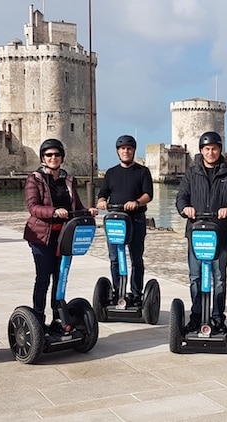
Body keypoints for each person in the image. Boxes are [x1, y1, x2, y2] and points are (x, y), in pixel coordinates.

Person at [23, 139, 97, 327]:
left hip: (64, 237)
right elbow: (33, 207)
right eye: (49, 155)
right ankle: (38, 318)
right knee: (43, 277)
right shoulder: (35, 179)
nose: (53, 158)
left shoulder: (68, 181)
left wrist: (88, 211)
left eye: (56, 154)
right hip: (41, 237)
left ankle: (58, 316)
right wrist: (54, 212)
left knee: (61, 276)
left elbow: (77, 206)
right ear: (43, 158)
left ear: (62, 157)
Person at [175, 131, 227, 333]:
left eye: (214, 148)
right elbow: (181, 197)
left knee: (219, 277)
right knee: (195, 276)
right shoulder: (191, 173)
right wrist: (184, 208)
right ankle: (196, 317)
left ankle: (217, 317)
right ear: (201, 151)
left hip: (219, 232)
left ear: (220, 150)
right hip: (196, 233)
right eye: (207, 149)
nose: (211, 152)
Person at [97, 135, 154, 305]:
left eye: (129, 148)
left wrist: (136, 202)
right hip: (116, 221)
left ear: (133, 151)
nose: (126, 151)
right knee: (115, 257)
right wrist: (101, 201)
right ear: (118, 151)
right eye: (122, 149)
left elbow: (148, 195)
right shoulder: (111, 173)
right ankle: (117, 291)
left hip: (136, 220)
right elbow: (103, 193)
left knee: (136, 258)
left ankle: (136, 293)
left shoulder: (143, 171)